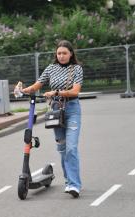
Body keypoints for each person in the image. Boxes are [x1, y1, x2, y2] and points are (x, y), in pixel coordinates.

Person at [22, 40, 83, 198]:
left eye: (64, 53)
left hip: (72, 109)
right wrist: (22, 90)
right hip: (55, 111)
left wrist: (56, 92)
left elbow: (75, 91)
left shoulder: (76, 69)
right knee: (63, 150)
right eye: (59, 53)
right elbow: (36, 86)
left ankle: (74, 185)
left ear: (71, 54)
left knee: (71, 148)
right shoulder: (50, 68)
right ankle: (68, 181)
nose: (61, 56)